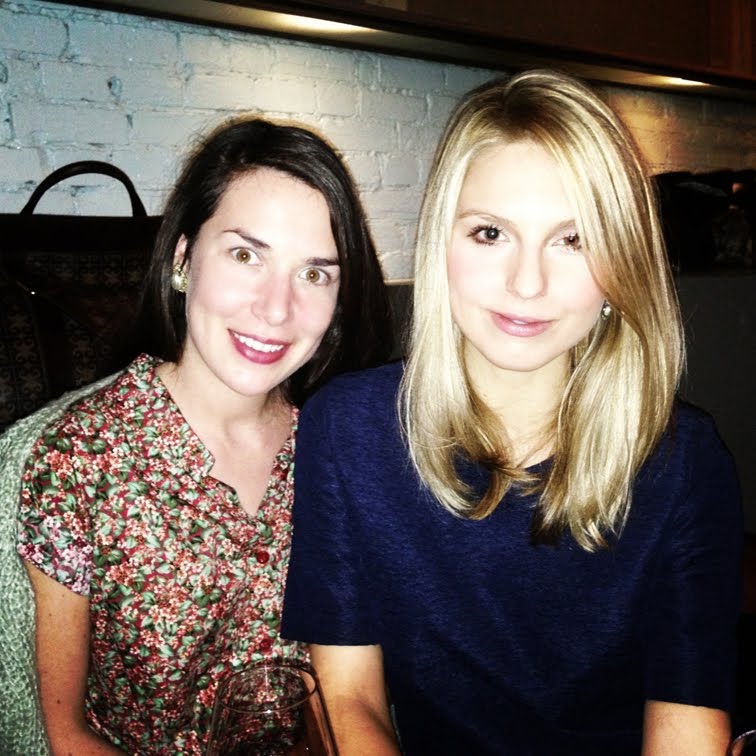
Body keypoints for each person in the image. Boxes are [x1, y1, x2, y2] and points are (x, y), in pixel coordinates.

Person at [281, 69, 743, 755]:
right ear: (442, 243)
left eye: (573, 240)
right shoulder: (349, 430)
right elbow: (349, 700)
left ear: (621, 265)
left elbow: (688, 718)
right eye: (491, 233)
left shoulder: (684, 461)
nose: (528, 283)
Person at [10, 116, 393, 754]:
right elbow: (66, 733)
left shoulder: (337, 445)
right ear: (183, 259)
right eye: (246, 255)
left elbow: (352, 695)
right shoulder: (79, 459)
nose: (277, 309)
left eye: (315, 273)